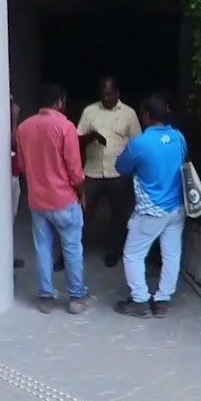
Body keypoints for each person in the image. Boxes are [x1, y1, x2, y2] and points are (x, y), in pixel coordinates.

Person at [11, 82, 87, 312]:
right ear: (60, 102)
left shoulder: (23, 128)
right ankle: (76, 298)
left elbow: (23, 166)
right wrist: (82, 195)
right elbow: (75, 170)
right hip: (64, 199)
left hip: (38, 201)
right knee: (71, 247)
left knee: (43, 247)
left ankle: (46, 297)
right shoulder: (65, 127)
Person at [115, 93, 189, 319]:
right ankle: (162, 300)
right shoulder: (178, 137)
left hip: (151, 210)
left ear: (146, 115)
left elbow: (121, 167)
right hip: (177, 207)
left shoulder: (139, 143)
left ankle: (139, 300)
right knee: (172, 253)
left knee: (133, 254)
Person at [75, 75, 139, 267]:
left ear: (117, 93)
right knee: (82, 213)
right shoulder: (90, 111)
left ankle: (114, 250)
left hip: (118, 173)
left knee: (119, 214)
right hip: (92, 171)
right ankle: (73, 251)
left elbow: (137, 143)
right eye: (103, 94)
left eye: (109, 95)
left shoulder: (129, 113)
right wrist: (90, 137)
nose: (106, 98)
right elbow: (77, 138)